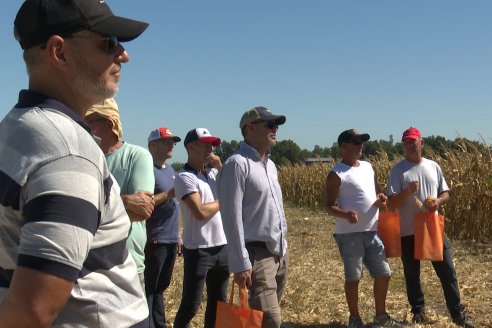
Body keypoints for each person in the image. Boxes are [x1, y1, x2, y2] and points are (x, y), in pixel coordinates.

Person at [0, 0, 149, 327]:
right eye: (108, 42)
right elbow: (32, 310)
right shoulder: (68, 151)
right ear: (60, 52)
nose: (123, 55)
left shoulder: (15, 128)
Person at [386, 127, 475, 327]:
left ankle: (457, 313)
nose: (409, 145)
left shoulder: (433, 166)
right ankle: (418, 312)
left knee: (447, 271)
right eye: (406, 142)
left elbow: (446, 193)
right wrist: (408, 191)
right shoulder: (398, 170)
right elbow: (391, 203)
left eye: (412, 141)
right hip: (408, 230)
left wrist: (438, 201)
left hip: (432, 227)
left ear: (422, 143)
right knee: (412, 274)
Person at [217, 107, 288, 328]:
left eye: (276, 125)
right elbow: (231, 216)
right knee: (270, 320)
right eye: (269, 124)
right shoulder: (237, 164)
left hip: (278, 252)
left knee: (262, 318)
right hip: (256, 255)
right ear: (250, 128)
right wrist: (240, 263)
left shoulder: (271, 166)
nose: (274, 129)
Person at [325, 129, 402, 328]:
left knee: (384, 273)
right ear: (343, 146)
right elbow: (329, 206)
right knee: (354, 277)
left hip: (372, 231)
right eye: (356, 142)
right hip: (349, 235)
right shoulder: (336, 173)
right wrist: (345, 214)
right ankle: (354, 318)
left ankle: (381, 316)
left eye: (362, 142)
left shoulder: (368, 167)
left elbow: (376, 193)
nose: (361, 145)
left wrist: (381, 199)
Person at [85, 98, 155, 291]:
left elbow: (142, 210)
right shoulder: (81, 159)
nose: (81, 127)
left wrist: (89, 209)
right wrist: (124, 202)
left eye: (87, 122)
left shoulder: (137, 156)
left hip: (127, 262)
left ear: (108, 124)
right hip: (86, 264)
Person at [173, 128, 229, 328]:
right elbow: (200, 212)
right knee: (191, 305)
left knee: (219, 304)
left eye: (212, 144)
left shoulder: (214, 174)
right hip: (199, 249)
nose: (210, 148)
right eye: (205, 143)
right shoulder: (184, 177)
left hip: (222, 246)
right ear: (191, 146)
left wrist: (221, 167)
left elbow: (235, 187)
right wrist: (224, 201)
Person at [145, 127, 182, 328]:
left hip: (170, 238)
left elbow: (175, 206)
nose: (171, 145)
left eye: (172, 142)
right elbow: (144, 202)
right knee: (150, 288)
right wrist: (167, 194)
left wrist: (178, 235)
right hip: (155, 239)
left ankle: (159, 324)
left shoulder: (170, 170)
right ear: (153, 145)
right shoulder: (146, 170)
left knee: (161, 287)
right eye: (166, 141)